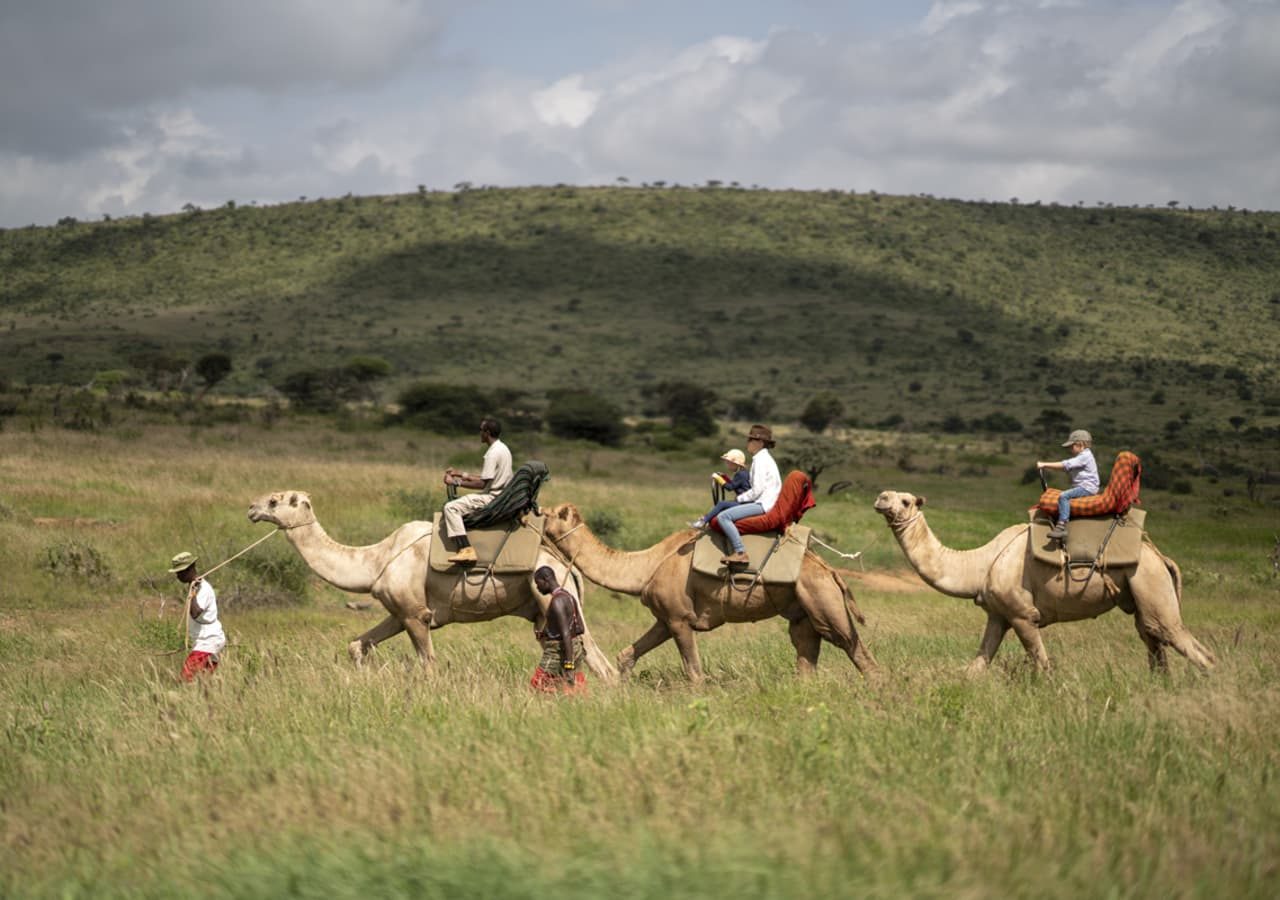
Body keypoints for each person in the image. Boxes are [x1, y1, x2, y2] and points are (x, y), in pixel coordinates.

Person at [442, 417, 513, 564]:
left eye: (481, 430)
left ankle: (466, 549)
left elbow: (482, 484)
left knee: (451, 507)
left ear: (487, 433)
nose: (479, 433)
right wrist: (461, 474)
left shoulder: (492, 454)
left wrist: (455, 482)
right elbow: (487, 478)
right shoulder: (503, 448)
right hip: (501, 495)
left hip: (492, 497)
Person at [716, 424, 783, 566]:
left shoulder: (760, 460)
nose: (748, 443)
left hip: (763, 504)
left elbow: (757, 490)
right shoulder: (765, 459)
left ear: (760, 443)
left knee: (724, 516)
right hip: (766, 502)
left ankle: (740, 552)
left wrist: (739, 499)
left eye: (751, 440)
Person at [168, 551, 226, 681]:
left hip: (208, 640)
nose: (178, 576)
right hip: (204, 641)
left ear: (190, 569)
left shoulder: (203, 588)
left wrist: (193, 592)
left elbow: (195, 612)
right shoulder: (194, 587)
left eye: (180, 572)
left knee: (185, 678)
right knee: (202, 682)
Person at [530, 566, 587, 695]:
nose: (537, 588)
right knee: (577, 686)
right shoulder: (569, 597)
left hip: (558, 651)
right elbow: (580, 628)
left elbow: (566, 634)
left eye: (538, 583)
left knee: (538, 684)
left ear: (546, 579)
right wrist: (547, 633)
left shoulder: (557, 602)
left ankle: (556, 702)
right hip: (575, 646)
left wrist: (569, 666)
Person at [1038, 428, 1100, 540]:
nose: (1071, 449)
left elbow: (1066, 465)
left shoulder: (1084, 456)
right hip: (1084, 487)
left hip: (1087, 488)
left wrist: (1044, 464)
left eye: (1072, 446)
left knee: (1064, 496)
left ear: (1080, 444)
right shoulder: (1083, 456)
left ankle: (1061, 526)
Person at [689, 448, 751, 529]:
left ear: (735, 463)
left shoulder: (740, 474)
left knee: (721, 504)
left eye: (729, 463)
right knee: (723, 505)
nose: (727, 465)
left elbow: (730, 487)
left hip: (745, 503)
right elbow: (734, 484)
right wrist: (724, 477)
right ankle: (706, 519)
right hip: (744, 501)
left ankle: (703, 521)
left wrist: (718, 478)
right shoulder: (743, 473)